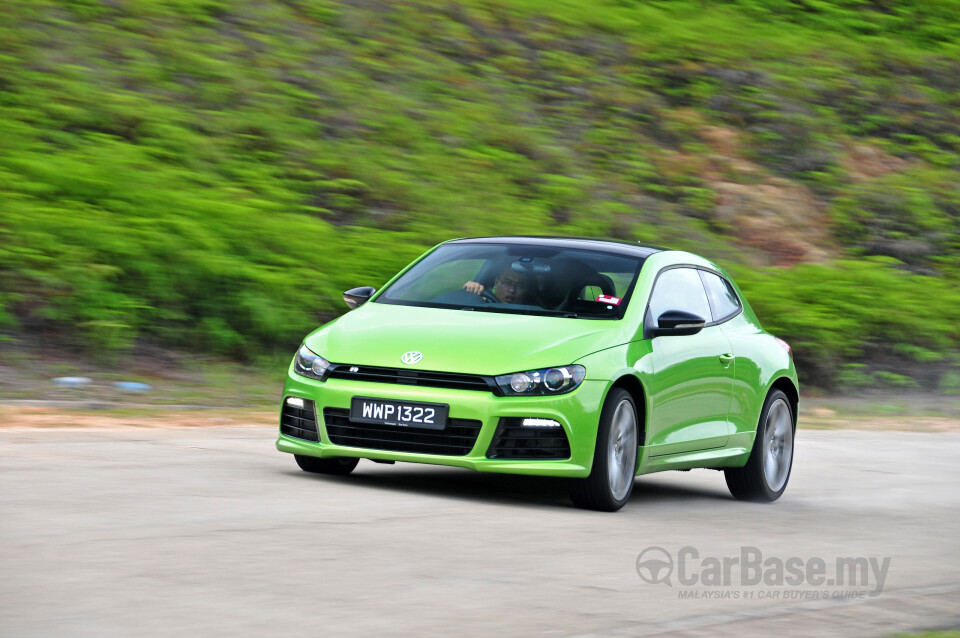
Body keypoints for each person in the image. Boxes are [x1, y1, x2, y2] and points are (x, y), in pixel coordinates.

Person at [462, 266, 532, 304]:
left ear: (526, 291)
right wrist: (469, 289)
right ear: (496, 283)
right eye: (507, 282)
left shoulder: (534, 312)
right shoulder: (482, 302)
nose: (512, 290)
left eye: (520, 286)